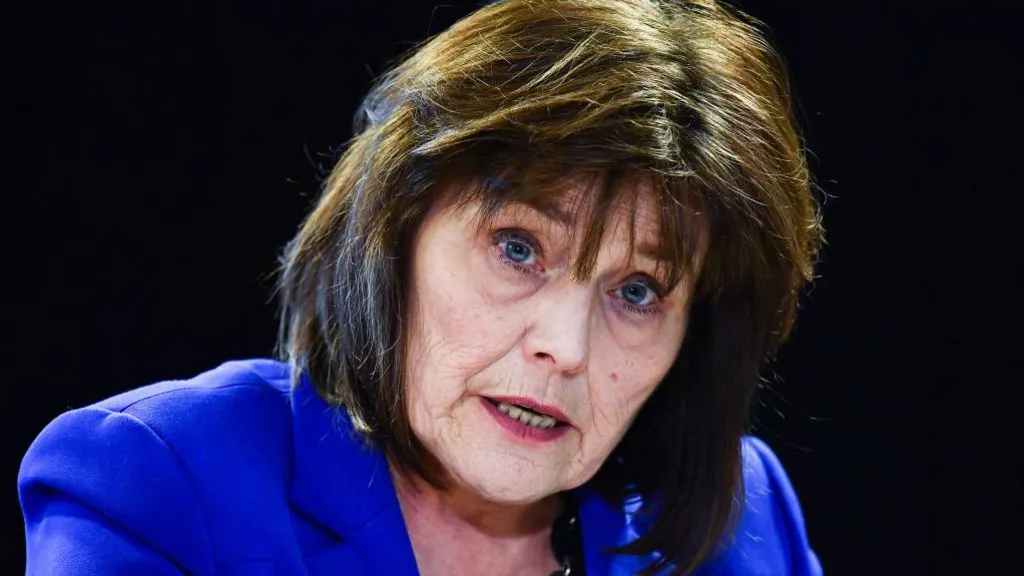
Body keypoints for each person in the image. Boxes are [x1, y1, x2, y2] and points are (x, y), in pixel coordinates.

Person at [18, 0, 825, 574]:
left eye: (639, 292)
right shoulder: (158, 484)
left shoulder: (743, 519)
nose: (566, 347)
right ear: (393, 233)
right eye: (518, 248)